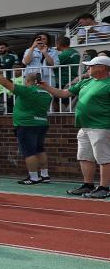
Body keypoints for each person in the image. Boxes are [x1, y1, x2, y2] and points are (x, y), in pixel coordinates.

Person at [39, 56, 110, 199]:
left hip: (102, 126)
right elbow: (64, 93)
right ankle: (87, 185)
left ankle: (104, 187)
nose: (88, 68)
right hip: (84, 127)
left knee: (104, 158)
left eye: (91, 65)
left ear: (102, 67)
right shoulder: (86, 81)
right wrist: (45, 86)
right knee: (84, 157)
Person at [0, 64, 53, 185]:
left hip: (26, 125)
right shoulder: (46, 93)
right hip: (42, 123)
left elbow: (5, 83)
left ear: (28, 81)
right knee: (40, 149)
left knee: (29, 152)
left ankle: (33, 177)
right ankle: (45, 175)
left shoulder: (27, 91)